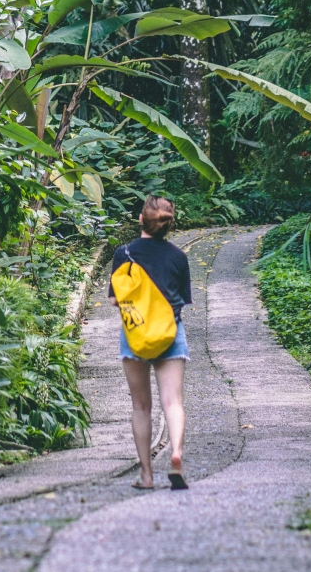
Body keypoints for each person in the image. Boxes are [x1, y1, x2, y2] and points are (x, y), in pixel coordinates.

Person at [116, 195, 192, 489]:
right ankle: (175, 454)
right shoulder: (179, 257)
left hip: (134, 335)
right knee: (172, 401)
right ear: (170, 224)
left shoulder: (124, 253)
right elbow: (182, 300)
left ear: (141, 219)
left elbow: (115, 298)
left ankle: (146, 476)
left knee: (141, 407)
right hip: (171, 333)